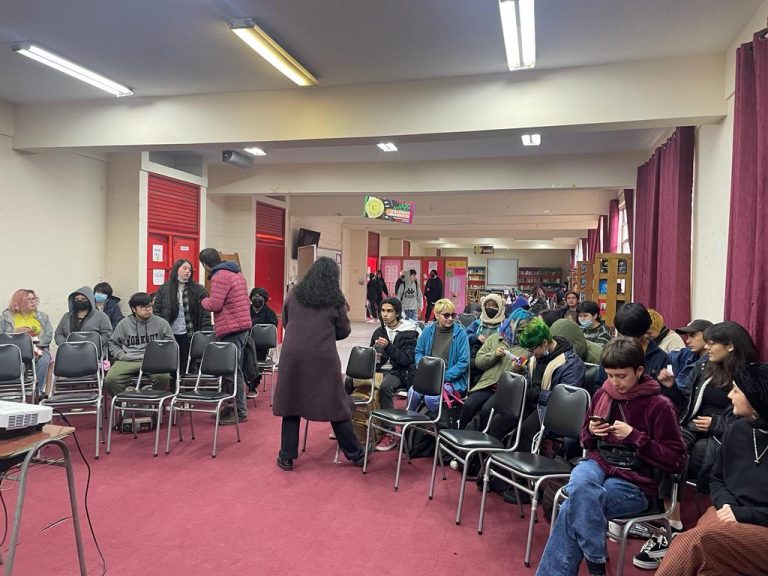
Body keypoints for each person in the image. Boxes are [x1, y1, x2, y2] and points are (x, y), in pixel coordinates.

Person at [536, 337, 687, 576]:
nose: (614, 383)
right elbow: (585, 442)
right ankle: (596, 563)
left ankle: (594, 564)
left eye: (621, 376)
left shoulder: (659, 405)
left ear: (639, 371)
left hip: (634, 480)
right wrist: (591, 432)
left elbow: (677, 460)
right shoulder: (603, 394)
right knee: (582, 488)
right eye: (609, 375)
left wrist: (636, 437)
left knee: (574, 505)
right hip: (598, 463)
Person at [633, 320, 759, 569]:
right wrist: (670, 388)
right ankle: (673, 521)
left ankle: (672, 525)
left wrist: (715, 425)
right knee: (668, 448)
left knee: (697, 453)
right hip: (692, 426)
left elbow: (750, 417)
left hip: (722, 434)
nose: (707, 347)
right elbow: (686, 405)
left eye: (712, 343)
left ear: (731, 346)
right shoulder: (705, 367)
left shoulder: (748, 375)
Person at [656, 362, 768, 576]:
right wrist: (728, 506)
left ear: (756, 399)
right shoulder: (738, 429)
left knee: (696, 541)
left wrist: (743, 514)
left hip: (758, 523)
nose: (729, 397)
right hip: (727, 514)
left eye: (736, 390)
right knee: (707, 569)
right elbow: (718, 479)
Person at [272, 257, 365, 471]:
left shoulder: (294, 293)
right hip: (322, 358)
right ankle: (356, 455)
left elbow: (285, 321)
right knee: (335, 405)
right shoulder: (335, 299)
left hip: (292, 355)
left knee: (291, 404)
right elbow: (344, 330)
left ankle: (286, 457)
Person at [516, 317, 586, 454]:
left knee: (525, 431)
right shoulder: (537, 357)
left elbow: (564, 400)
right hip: (535, 403)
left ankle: (516, 473)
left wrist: (536, 393)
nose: (531, 353)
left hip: (553, 411)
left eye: (532, 349)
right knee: (506, 418)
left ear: (544, 343)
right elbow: (531, 379)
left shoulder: (571, 364)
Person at [199, 248, 252, 424]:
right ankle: (230, 408)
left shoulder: (219, 276)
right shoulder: (236, 273)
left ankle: (239, 411)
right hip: (241, 328)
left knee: (232, 372)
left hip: (232, 329)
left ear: (205, 265)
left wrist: (202, 301)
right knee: (232, 371)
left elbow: (215, 304)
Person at [459, 309, 532, 430]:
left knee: (487, 410)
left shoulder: (528, 349)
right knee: (468, 405)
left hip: (506, 391)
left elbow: (526, 376)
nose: (520, 333)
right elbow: (479, 362)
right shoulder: (495, 339)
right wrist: (494, 355)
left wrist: (516, 369)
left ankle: (480, 440)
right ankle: (460, 434)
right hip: (488, 384)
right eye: (518, 328)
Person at [365, 297, 421, 451]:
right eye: (383, 311)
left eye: (389, 311)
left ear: (397, 313)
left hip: (400, 372)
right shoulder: (379, 331)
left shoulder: (409, 332)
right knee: (351, 381)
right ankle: (351, 424)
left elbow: (407, 360)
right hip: (380, 370)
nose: (385, 314)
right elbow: (373, 358)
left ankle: (389, 431)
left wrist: (389, 347)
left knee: (385, 386)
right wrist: (376, 354)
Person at [612, 303, 686, 415]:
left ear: (645, 330)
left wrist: (670, 385)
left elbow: (675, 403)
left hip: (647, 416)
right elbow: (599, 387)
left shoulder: (663, 359)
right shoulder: (612, 353)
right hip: (616, 411)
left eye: (632, 336)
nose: (627, 340)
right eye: (623, 335)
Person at [104, 292, 174, 396]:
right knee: (110, 379)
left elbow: (171, 344)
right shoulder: (124, 324)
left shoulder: (161, 323)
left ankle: (150, 398)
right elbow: (113, 343)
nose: (148, 309)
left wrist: (161, 357)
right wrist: (121, 355)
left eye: (149, 306)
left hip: (153, 361)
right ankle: (124, 402)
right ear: (133, 309)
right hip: (128, 360)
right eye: (143, 307)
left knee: (164, 377)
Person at [152, 259, 212, 372]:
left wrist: (205, 332)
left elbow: (205, 313)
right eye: (184, 268)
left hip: (189, 331)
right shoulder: (164, 288)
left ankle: (184, 386)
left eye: (189, 270)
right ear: (176, 270)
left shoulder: (198, 289)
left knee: (186, 363)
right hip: (170, 331)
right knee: (170, 362)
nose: (187, 271)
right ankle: (173, 385)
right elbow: (157, 311)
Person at [412, 298, 470, 410]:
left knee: (431, 398)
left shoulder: (461, 334)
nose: (450, 319)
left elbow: (463, 362)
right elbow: (419, 352)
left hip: (452, 380)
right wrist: (422, 368)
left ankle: (434, 423)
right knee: (413, 393)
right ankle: (410, 423)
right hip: (429, 377)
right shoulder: (428, 331)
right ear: (437, 315)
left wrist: (444, 377)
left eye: (453, 315)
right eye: (446, 315)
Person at [1, 289, 53, 395]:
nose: (33, 301)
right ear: (19, 301)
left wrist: (35, 341)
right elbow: (2, 335)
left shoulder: (42, 316)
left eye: (34, 299)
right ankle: (13, 392)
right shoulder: (7, 316)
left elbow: (48, 335)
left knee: (45, 360)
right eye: (28, 299)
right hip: (13, 350)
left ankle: (35, 392)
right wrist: (15, 332)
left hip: (38, 348)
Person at [53, 287, 113, 358]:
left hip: (92, 353)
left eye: (83, 299)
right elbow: (58, 334)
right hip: (68, 352)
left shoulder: (101, 316)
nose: (79, 301)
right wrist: (66, 344)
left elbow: (107, 334)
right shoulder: (66, 316)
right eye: (76, 299)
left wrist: (91, 345)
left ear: (90, 300)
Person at [465, 294, 505, 386]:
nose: (490, 308)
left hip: (495, 358)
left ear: (500, 307)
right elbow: (464, 336)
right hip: (476, 357)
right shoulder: (477, 323)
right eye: (488, 306)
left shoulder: (504, 326)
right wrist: (476, 337)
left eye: (494, 306)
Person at [247, 287, 279, 399]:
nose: (256, 298)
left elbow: (272, 328)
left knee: (257, 356)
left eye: (259, 296)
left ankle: (253, 385)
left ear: (264, 299)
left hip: (261, 347)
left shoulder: (270, 313)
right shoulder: (246, 310)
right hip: (247, 344)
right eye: (254, 295)